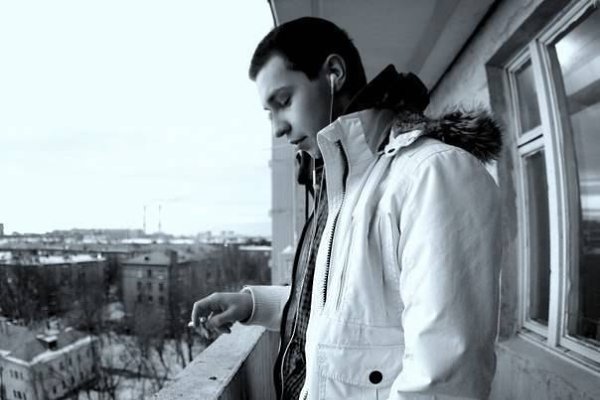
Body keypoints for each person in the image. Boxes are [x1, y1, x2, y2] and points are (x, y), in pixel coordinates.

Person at [190, 17, 502, 400]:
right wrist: (252, 304)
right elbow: (345, 310)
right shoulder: (343, 185)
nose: (277, 129)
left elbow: (445, 379)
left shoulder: (432, 174)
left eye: (284, 102)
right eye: (269, 113)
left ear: (334, 73)